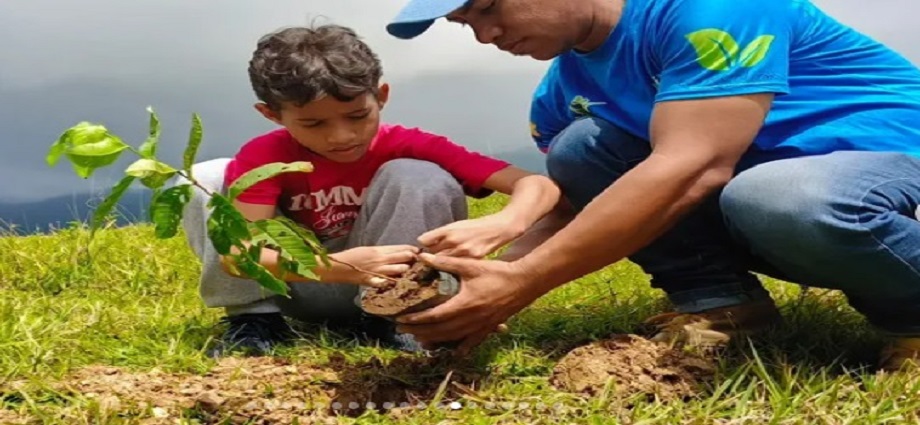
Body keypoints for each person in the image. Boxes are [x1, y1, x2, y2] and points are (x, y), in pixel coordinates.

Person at [383, 0, 920, 371]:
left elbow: (694, 165)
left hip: (885, 169)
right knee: (581, 146)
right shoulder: (561, 93)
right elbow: (579, 205)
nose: (485, 35)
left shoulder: (706, 9)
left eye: (487, 7)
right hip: (764, 203)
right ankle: (723, 307)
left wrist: (524, 281)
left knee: (779, 195)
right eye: (464, 23)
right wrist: (491, 277)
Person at [175, 23, 560, 357]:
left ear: (382, 96)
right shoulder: (267, 156)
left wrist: (505, 223)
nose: (341, 136)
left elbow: (535, 184)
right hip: (302, 284)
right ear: (272, 114)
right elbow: (239, 256)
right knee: (205, 178)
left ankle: (398, 318)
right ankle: (255, 321)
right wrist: (339, 267)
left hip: (386, 284)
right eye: (313, 124)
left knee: (420, 174)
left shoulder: (406, 143)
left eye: (358, 116)